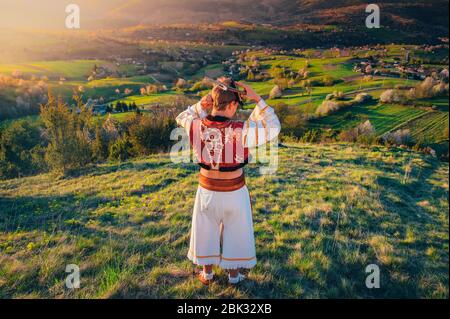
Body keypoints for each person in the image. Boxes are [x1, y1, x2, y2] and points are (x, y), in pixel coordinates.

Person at [176, 78, 281, 285]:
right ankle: (234, 276)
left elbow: (183, 116)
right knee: (235, 231)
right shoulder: (242, 130)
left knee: (205, 229)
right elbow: (273, 125)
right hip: (235, 193)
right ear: (232, 105)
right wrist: (257, 98)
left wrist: (201, 104)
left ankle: (207, 274)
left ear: (213, 102)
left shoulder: (196, 124)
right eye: (236, 106)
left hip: (206, 191)